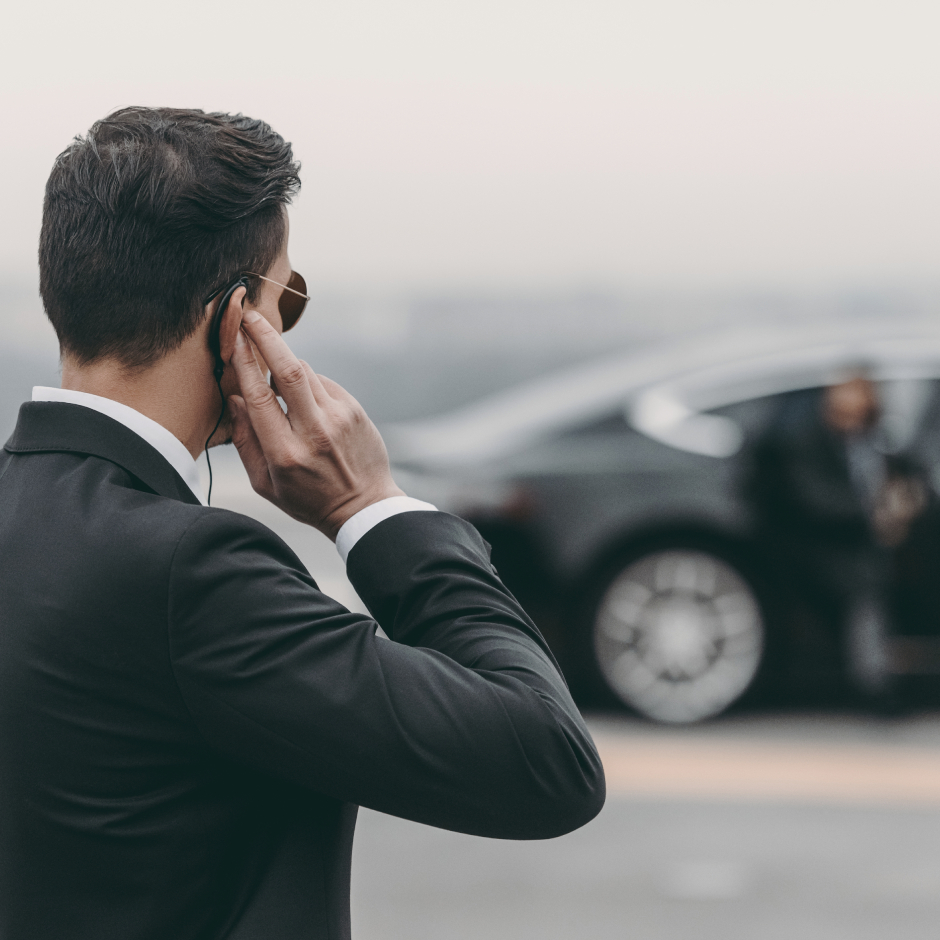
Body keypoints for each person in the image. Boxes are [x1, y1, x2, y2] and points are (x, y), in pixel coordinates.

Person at [0, 108, 605, 940]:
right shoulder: (190, 571)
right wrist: (371, 509)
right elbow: (545, 764)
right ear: (236, 321)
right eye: (290, 298)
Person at [746, 372, 928, 703]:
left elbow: (913, 478)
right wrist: (877, 515)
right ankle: (874, 682)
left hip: (882, 544)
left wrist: (907, 500)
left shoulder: (878, 441)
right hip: (827, 546)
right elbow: (815, 502)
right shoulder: (806, 441)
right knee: (866, 582)